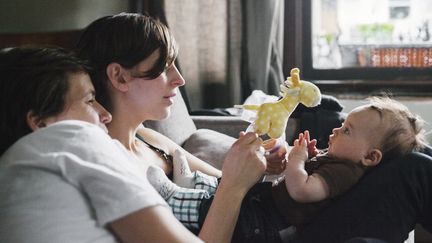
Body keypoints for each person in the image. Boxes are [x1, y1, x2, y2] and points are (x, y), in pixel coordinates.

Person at [0, 46, 265, 243]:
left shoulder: (17, 171)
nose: (105, 114)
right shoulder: (71, 138)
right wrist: (234, 186)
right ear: (41, 123)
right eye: (89, 101)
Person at [76, 12, 286, 242]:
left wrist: (259, 165)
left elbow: (226, 183)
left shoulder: (148, 138)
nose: (180, 79)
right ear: (119, 77)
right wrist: (234, 185)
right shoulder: (111, 167)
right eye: (165, 68)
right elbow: (231, 189)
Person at [144, 96, 427, 235]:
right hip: (270, 221)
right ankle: (187, 190)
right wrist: (298, 161)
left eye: (347, 131)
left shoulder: (344, 169)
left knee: (417, 158)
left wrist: (290, 163)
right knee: (416, 165)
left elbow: (303, 190)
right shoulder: (344, 164)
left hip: (266, 223)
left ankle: (181, 192)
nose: (336, 131)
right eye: (342, 126)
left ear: (370, 157)